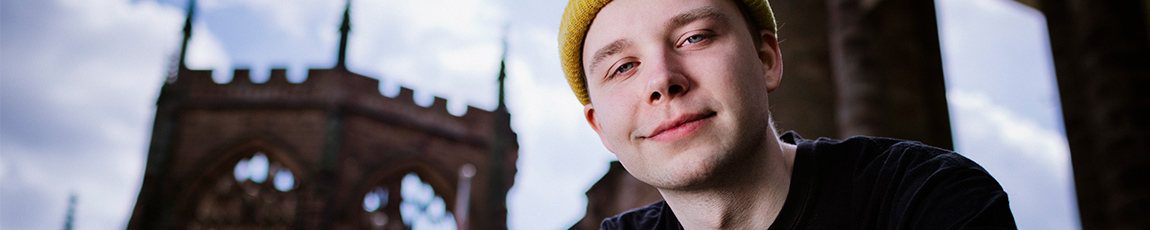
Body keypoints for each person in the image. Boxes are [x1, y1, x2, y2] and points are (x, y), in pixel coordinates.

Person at [556, 0, 1017, 229]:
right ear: (601, 129)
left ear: (766, 59)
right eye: (623, 67)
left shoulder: (923, 198)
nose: (662, 80)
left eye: (695, 37)